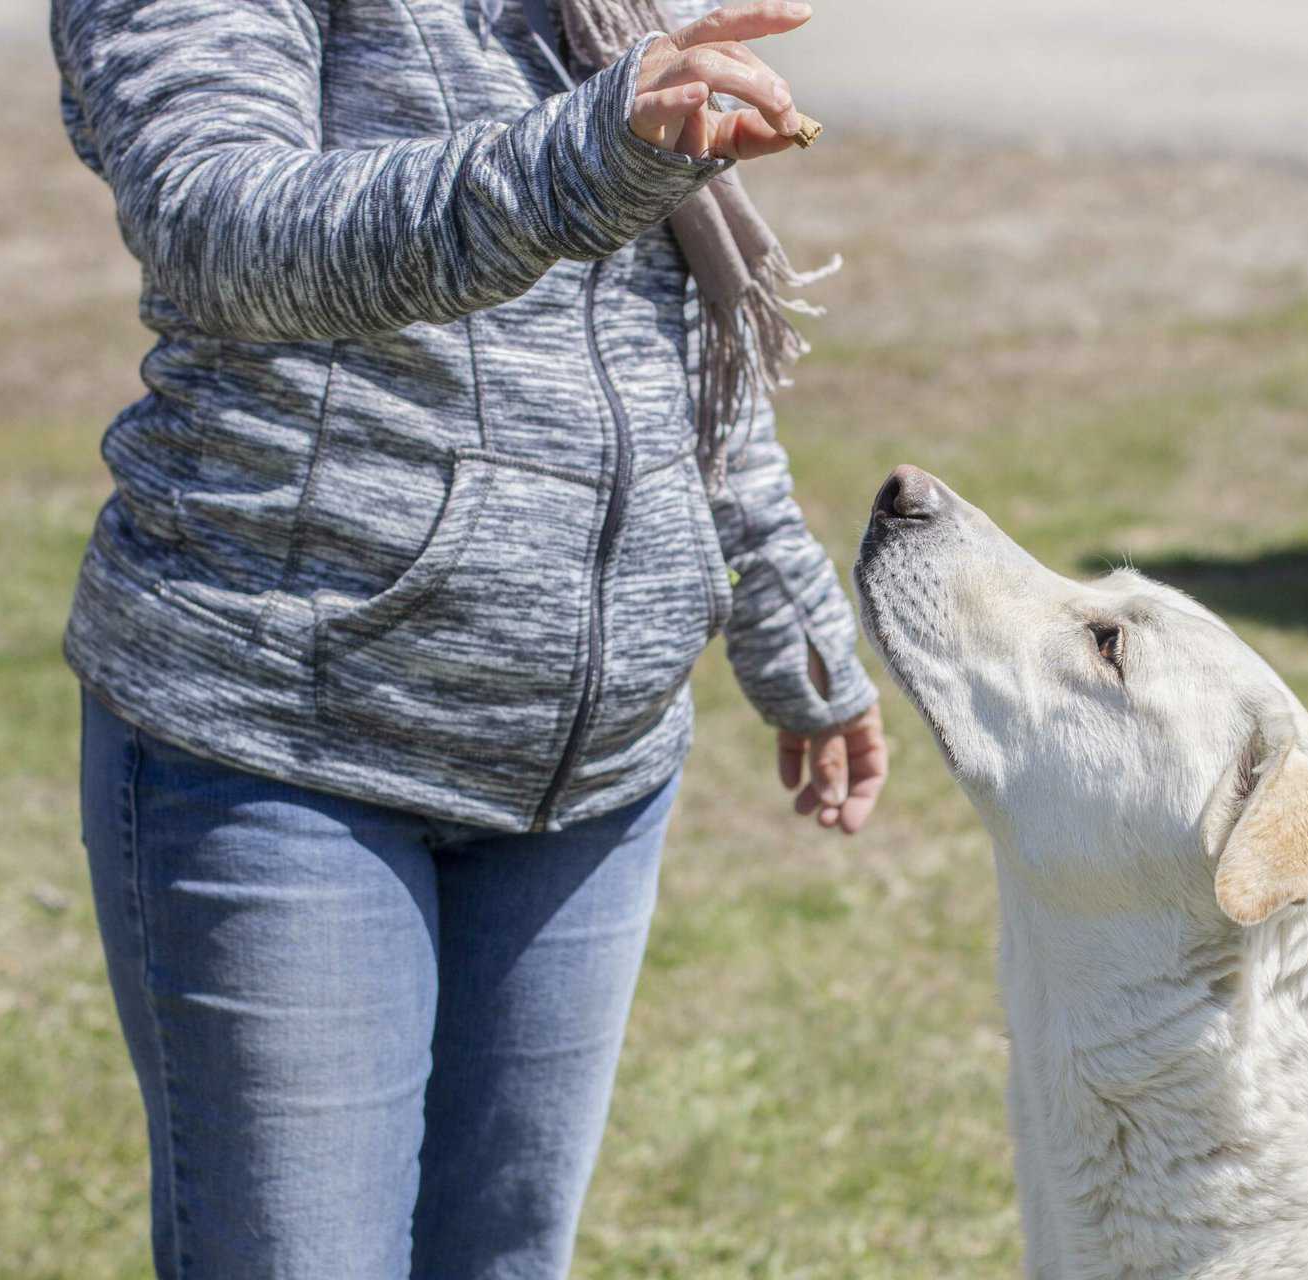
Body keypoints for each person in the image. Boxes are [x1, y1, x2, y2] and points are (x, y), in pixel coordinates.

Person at [50, 0, 886, 1273]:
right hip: (285, 749)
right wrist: (584, 159)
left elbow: (672, 346)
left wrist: (792, 626)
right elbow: (218, 227)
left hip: (593, 786)